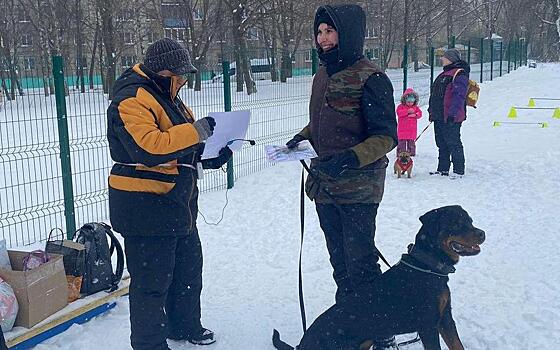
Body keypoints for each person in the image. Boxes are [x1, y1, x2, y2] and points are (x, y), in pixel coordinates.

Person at [106, 38, 232, 350]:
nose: (185, 80)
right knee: (152, 284)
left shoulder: (169, 97)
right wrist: (196, 133)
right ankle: (149, 344)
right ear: (164, 72)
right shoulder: (131, 98)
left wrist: (208, 154)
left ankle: (184, 326)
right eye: (181, 75)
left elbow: (182, 143)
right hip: (144, 206)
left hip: (177, 203)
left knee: (188, 270)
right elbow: (149, 147)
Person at [286, 4, 397, 305]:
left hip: (359, 190)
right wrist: (303, 136)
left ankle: (377, 326)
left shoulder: (371, 78)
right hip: (324, 186)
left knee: (360, 261)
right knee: (339, 260)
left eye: (330, 31)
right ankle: (349, 317)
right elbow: (325, 119)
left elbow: (386, 136)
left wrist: (350, 158)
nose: (322, 38)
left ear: (347, 33)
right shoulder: (322, 74)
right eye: (319, 31)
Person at [428, 48, 470, 179]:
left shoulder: (459, 74)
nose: (442, 59)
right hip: (439, 116)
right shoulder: (444, 74)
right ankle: (442, 169)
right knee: (441, 143)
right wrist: (432, 111)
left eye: (444, 57)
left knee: (453, 143)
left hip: (451, 116)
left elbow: (459, 96)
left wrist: (453, 113)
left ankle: (458, 170)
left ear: (451, 59)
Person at [396, 88, 422, 156]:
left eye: (412, 101)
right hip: (402, 129)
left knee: (411, 143)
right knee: (402, 143)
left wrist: (415, 115)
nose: (410, 103)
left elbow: (420, 114)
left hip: (411, 130)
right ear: (404, 100)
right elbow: (399, 113)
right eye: (408, 101)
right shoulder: (401, 107)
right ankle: (401, 153)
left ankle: (411, 153)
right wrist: (407, 111)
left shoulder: (415, 107)